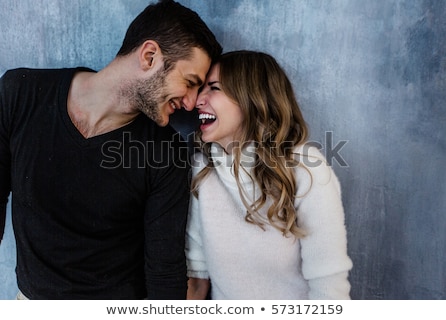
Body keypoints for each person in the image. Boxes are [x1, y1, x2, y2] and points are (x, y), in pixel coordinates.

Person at [0, 0, 222, 299]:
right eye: (190, 82)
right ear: (149, 56)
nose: (192, 102)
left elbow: (164, 271)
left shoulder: (166, 151)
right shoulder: (20, 92)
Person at [185, 50, 353, 300]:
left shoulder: (306, 169)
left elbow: (329, 288)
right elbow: (197, 277)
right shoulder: (204, 170)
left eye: (214, 88)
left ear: (251, 99)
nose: (198, 99)